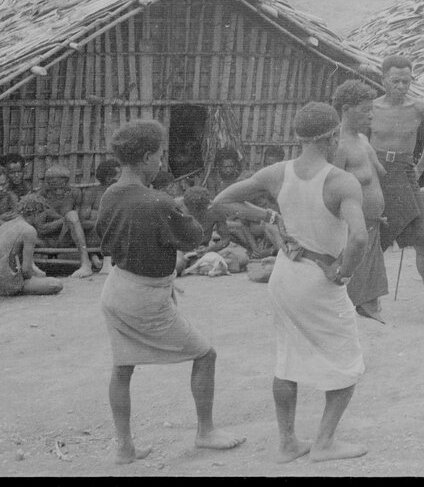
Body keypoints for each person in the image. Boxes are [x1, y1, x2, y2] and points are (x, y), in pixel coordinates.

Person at [213, 102, 369, 463]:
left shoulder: (277, 172)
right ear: (332, 136)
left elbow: (221, 201)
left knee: (287, 360)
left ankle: (287, 442)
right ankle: (325, 442)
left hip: (286, 274)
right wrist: (344, 272)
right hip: (318, 279)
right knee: (347, 361)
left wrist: (268, 215)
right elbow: (359, 238)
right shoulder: (340, 181)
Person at [97, 119, 245, 464]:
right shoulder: (157, 202)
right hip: (145, 296)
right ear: (147, 157)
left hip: (118, 287)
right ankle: (205, 431)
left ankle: (124, 446)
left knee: (122, 367)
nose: (162, 162)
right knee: (205, 354)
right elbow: (194, 237)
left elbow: (106, 241)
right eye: (160, 156)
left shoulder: (109, 194)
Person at [369, 55, 424, 324]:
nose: (400, 86)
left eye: (406, 81)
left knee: (422, 240)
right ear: (383, 79)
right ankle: (368, 301)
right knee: (374, 239)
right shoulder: (371, 108)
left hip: (406, 173)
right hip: (376, 175)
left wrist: (420, 167)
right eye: (395, 81)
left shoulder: (420, 108)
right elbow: (357, 141)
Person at [331, 79, 389, 323]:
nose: (371, 115)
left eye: (371, 109)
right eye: (365, 110)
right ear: (346, 110)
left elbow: (380, 174)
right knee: (350, 272)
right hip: (355, 224)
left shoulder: (364, 141)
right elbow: (331, 187)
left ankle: (364, 306)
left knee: (366, 272)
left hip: (374, 220)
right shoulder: (340, 146)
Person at [0, 194, 64, 297]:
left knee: (39, 276)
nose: (43, 218)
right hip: (5, 286)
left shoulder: (6, 225)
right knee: (56, 284)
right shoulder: (29, 230)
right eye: (43, 214)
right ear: (36, 213)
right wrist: (38, 276)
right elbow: (26, 271)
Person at [34, 165, 93, 279]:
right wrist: (63, 220)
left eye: (62, 186)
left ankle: (86, 264)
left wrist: (63, 218)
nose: (59, 191)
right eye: (54, 188)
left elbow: (79, 222)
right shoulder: (41, 197)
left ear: (67, 182)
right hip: (47, 240)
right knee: (70, 215)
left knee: (72, 215)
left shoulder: (74, 194)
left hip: (66, 238)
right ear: (48, 184)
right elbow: (41, 228)